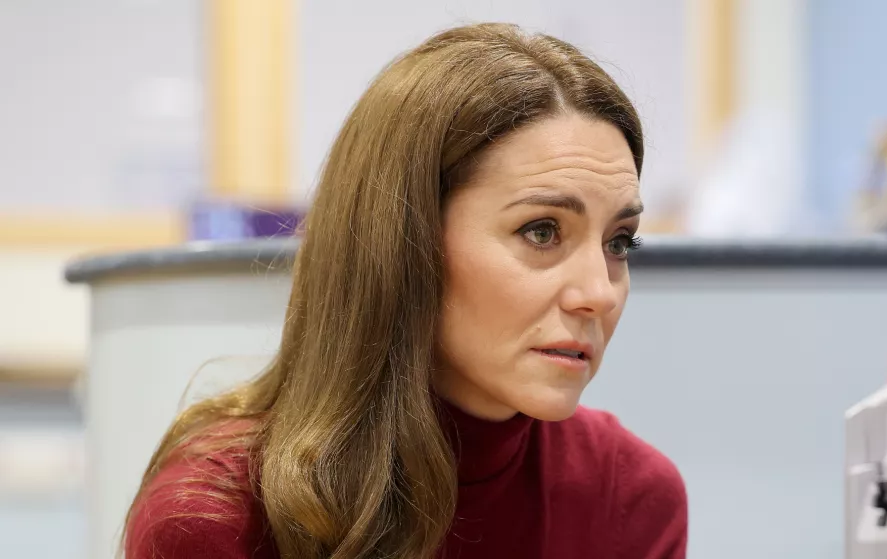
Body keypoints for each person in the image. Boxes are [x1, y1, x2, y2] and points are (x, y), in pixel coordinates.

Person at [125, 23, 688, 559]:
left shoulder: (633, 497)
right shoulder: (216, 518)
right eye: (541, 232)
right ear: (405, 244)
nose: (600, 292)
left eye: (619, 243)